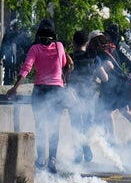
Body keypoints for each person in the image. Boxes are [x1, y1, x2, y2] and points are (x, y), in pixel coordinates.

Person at [5, 19, 71, 174]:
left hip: (40, 90)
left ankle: (41, 159)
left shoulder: (34, 49)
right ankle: (52, 160)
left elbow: (26, 69)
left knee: (41, 125)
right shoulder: (59, 46)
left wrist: (15, 87)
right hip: (56, 90)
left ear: (38, 35)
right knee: (54, 126)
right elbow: (63, 64)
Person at [88, 34, 131, 145]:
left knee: (106, 112)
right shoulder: (111, 49)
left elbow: (109, 67)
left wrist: (98, 71)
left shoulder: (101, 53)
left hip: (111, 87)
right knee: (125, 111)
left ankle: (112, 139)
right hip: (121, 84)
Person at [67, 30, 97, 163]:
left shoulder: (70, 58)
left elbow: (66, 77)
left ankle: (78, 152)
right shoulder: (92, 57)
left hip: (73, 95)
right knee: (88, 123)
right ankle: (86, 145)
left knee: (75, 124)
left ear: (73, 43)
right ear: (87, 42)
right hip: (88, 95)